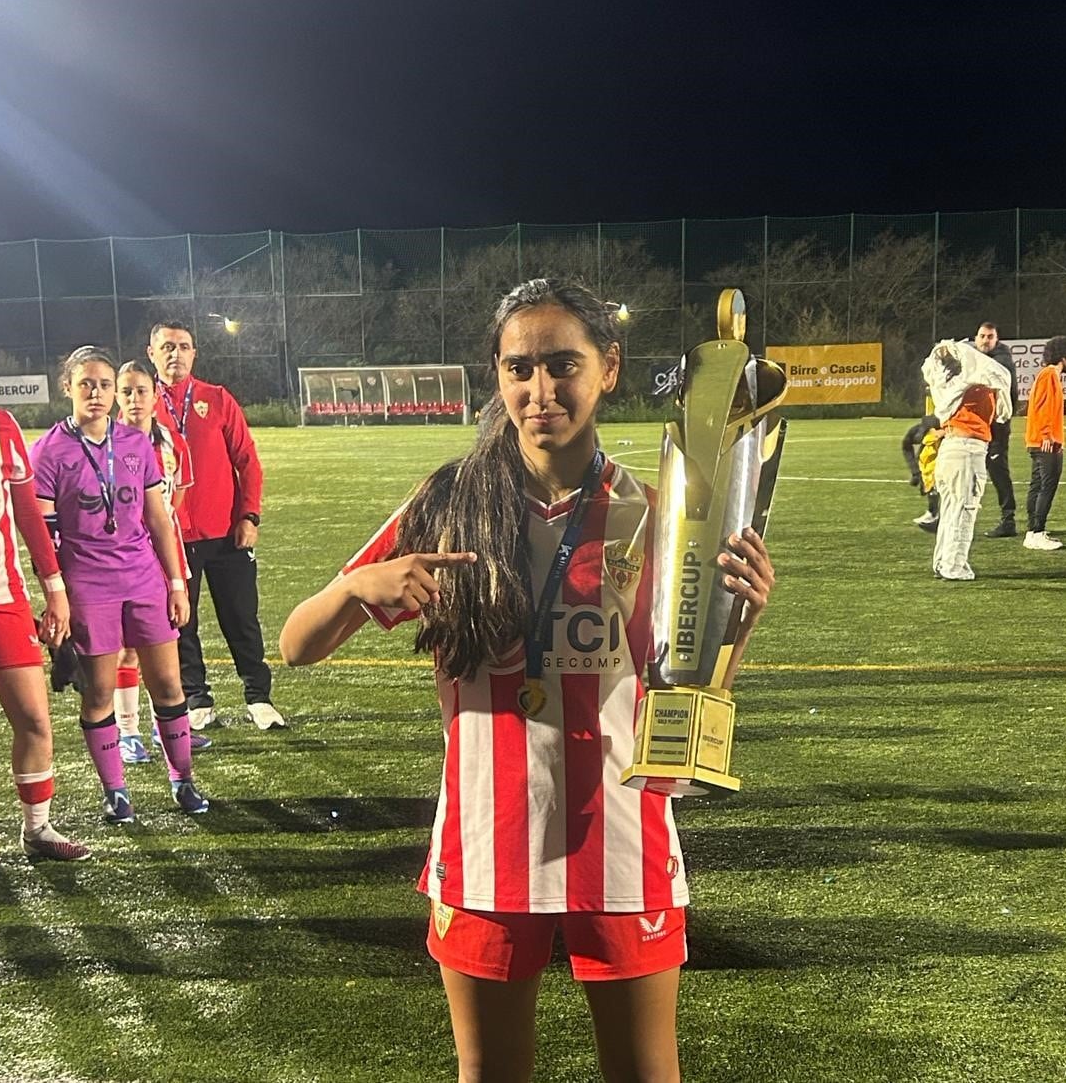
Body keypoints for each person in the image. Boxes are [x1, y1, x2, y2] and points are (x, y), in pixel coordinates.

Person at [280, 278, 775, 1083]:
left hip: (623, 836)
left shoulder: (659, 515)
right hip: (486, 847)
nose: (540, 391)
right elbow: (297, 645)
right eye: (519, 369)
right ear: (498, 376)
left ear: (608, 369)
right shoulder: (448, 503)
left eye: (562, 366)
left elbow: (683, 683)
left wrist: (735, 629)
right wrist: (352, 589)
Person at [31, 346, 209, 822]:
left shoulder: (132, 444)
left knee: (170, 684)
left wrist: (175, 583)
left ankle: (183, 778)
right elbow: (43, 539)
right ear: (66, 387)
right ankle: (116, 790)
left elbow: (158, 518)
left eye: (105, 385)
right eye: (86, 383)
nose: (97, 393)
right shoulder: (48, 452)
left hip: (144, 578)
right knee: (99, 693)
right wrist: (56, 597)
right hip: (88, 586)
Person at [146, 321, 285, 731]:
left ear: (194, 354)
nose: (176, 354)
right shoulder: (138, 405)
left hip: (226, 533)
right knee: (181, 622)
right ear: (151, 353)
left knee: (241, 617)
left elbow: (248, 461)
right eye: (167, 347)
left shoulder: (216, 399)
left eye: (184, 347)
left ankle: (258, 697)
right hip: (169, 538)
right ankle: (197, 697)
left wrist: (249, 515)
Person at [0, 401, 90, 871]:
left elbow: (27, 515)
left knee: (35, 720)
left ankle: (37, 828)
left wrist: (55, 590)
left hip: (1, 596)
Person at [113, 360, 211, 764]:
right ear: (118, 397)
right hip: (122, 560)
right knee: (127, 650)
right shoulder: (106, 443)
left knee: (165, 642)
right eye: (127, 392)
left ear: (156, 396)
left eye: (142, 391)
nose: (135, 399)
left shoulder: (172, 441)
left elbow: (175, 499)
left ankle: (165, 724)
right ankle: (127, 730)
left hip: (164, 556)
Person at [921, 340, 1012, 580]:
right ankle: (954, 566)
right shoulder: (976, 387)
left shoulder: (950, 388)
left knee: (951, 509)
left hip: (951, 449)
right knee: (964, 510)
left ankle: (943, 562)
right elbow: (1002, 400)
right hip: (967, 451)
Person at [1023, 335, 1066, 550]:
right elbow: (1042, 407)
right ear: (1063, 357)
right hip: (1046, 442)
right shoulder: (1049, 376)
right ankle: (1037, 532)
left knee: (1037, 486)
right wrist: (1047, 434)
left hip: (1040, 439)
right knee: (1046, 487)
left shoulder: (1047, 375)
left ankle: (1033, 532)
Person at [972, 322, 1020, 538]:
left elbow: (988, 371)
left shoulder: (1002, 357)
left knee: (997, 468)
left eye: (990, 337)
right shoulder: (976, 352)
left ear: (997, 339)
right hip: (977, 421)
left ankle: (1008, 519)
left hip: (997, 424)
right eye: (982, 336)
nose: (985, 340)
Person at [901, 410, 941, 531]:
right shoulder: (920, 430)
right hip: (931, 461)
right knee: (930, 481)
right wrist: (915, 471)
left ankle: (939, 515)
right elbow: (906, 445)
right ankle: (933, 512)